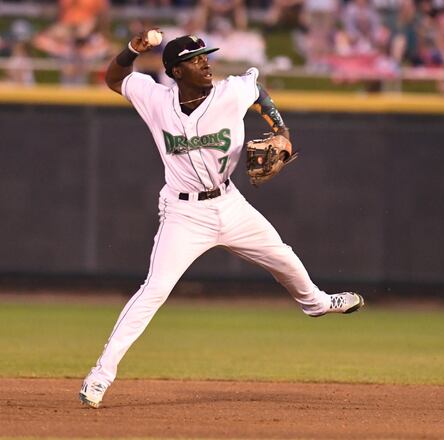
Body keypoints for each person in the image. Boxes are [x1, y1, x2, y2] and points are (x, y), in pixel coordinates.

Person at [78, 31, 366, 409]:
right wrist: (133, 49)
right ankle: (99, 377)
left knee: (283, 256)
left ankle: (317, 303)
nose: (206, 63)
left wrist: (281, 131)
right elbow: (114, 79)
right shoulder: (155, 98)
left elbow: (257, 90)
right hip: (184, 214)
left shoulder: (230, 92)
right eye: (196, 59)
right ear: (177, 71)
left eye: (205, 56)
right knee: (154, 291)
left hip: (230, 203)